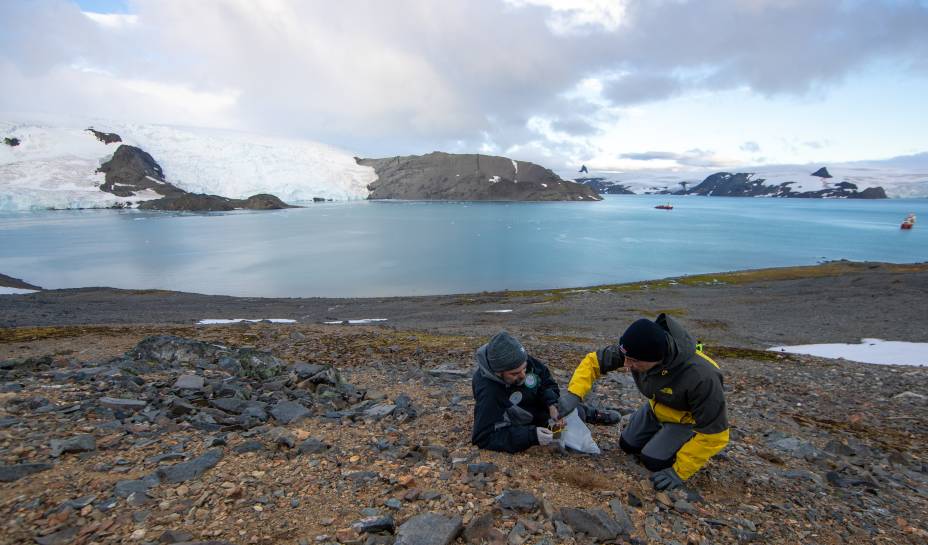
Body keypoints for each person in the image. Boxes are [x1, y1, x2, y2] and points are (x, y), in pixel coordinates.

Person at [558, 314, 729, 490]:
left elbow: (715, 433)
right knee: (627, 445)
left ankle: (685, 439)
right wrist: (574, 394)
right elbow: (593, 361)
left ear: (656, 358)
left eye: (633, 361)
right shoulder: (636, 349)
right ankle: (660, 434)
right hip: (656, 410)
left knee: (652, 460)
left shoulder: (702, 376)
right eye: (625, 357)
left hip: (684, 421)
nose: (626, 364)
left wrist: (679, 471)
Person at [471, 331, 620, 453]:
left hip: (537, 403)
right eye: (515, 373)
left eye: (524, 368)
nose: (523, 374)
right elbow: (483, 437)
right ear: (499, 373)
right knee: (555, 430)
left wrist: (551, 403)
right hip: (520, 416)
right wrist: (531, 436)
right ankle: (580, 416)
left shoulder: (520, 360)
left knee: (562, 409)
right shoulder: (489, 392)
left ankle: (591, 414)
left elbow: (546, 381)